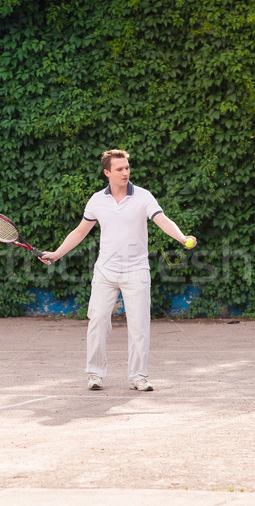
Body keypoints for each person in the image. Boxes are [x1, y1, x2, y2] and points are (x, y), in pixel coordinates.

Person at [39, 149, 197, 391]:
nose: (125, 172)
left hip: (136, 271)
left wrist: (181, 237)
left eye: (127, 168)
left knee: (139, 326)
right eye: (119, 169)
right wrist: (57, 253)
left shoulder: (143, 197)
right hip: (105, 271)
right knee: (98, 321)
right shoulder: (96, 200)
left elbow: (162, 220)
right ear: (107, 173)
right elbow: (80, 231)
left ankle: (138, 377)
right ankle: (95, 375)